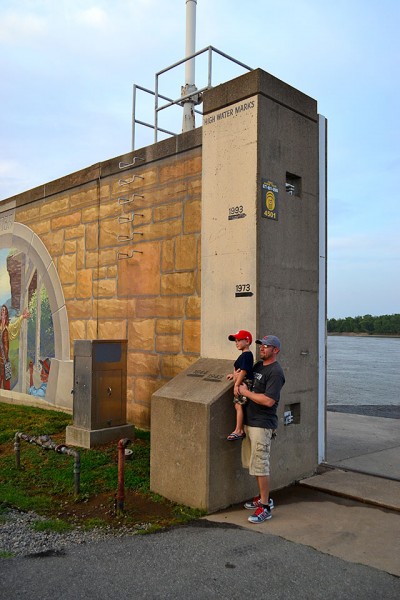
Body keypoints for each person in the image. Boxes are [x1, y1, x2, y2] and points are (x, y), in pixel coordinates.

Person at [238, 334, 285, 524]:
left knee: (261, 465)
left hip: (262, 424)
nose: (262, 348)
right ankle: (262, 498)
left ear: (276, 350)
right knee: (254, 464)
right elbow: (246, 375)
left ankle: (265, 506)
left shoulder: (276, 372)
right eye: (261, 346)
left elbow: (268, 400)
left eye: (266, 346)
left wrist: (246, 393)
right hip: (250, 421)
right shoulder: (258, 365)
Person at [226, 329, 254, 441]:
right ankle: (239, 430)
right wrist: (233, 375)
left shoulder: (247, 355)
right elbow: (239, 370)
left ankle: (238, 430)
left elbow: (244, 371)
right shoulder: (243, 355)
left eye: (239, 340)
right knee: (238, 406)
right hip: (241, 381)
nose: (236, 343)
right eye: (235, 341)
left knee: (239, 405)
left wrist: (236, 385)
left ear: (247, 341)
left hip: (244, 383)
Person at [0, 304, 30, 390]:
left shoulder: (8, 326)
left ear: (6, 313)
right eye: (2, 310)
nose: (3, 311)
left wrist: (22, 316)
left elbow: (16, 324)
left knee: (7, 376)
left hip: (5, 355)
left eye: (4, 310)